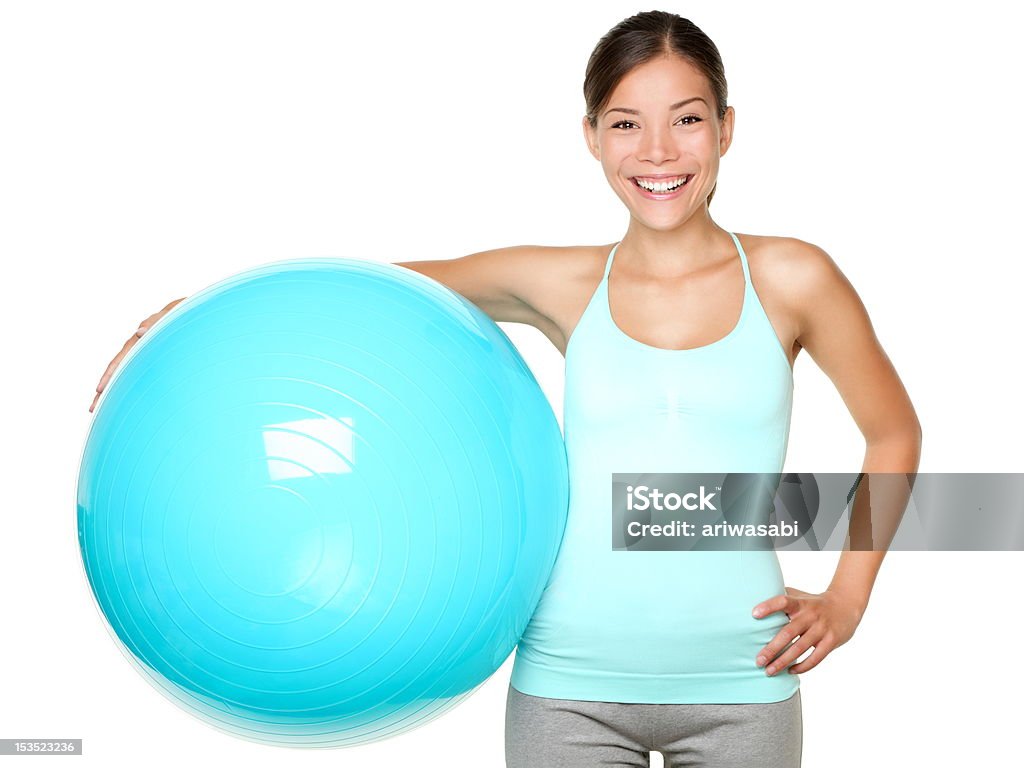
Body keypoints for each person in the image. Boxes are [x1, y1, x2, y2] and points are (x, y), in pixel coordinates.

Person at [89, 11, 922, 767]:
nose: (659, 152)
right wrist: (198, 312)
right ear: (592, 136)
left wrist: (848, 599)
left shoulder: (793, 277)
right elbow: (370, 286)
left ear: (727, 129)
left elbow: (893, 433)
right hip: (568, 688)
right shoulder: (560, 284)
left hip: (745, 689)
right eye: (627, 124)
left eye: (688, 119)